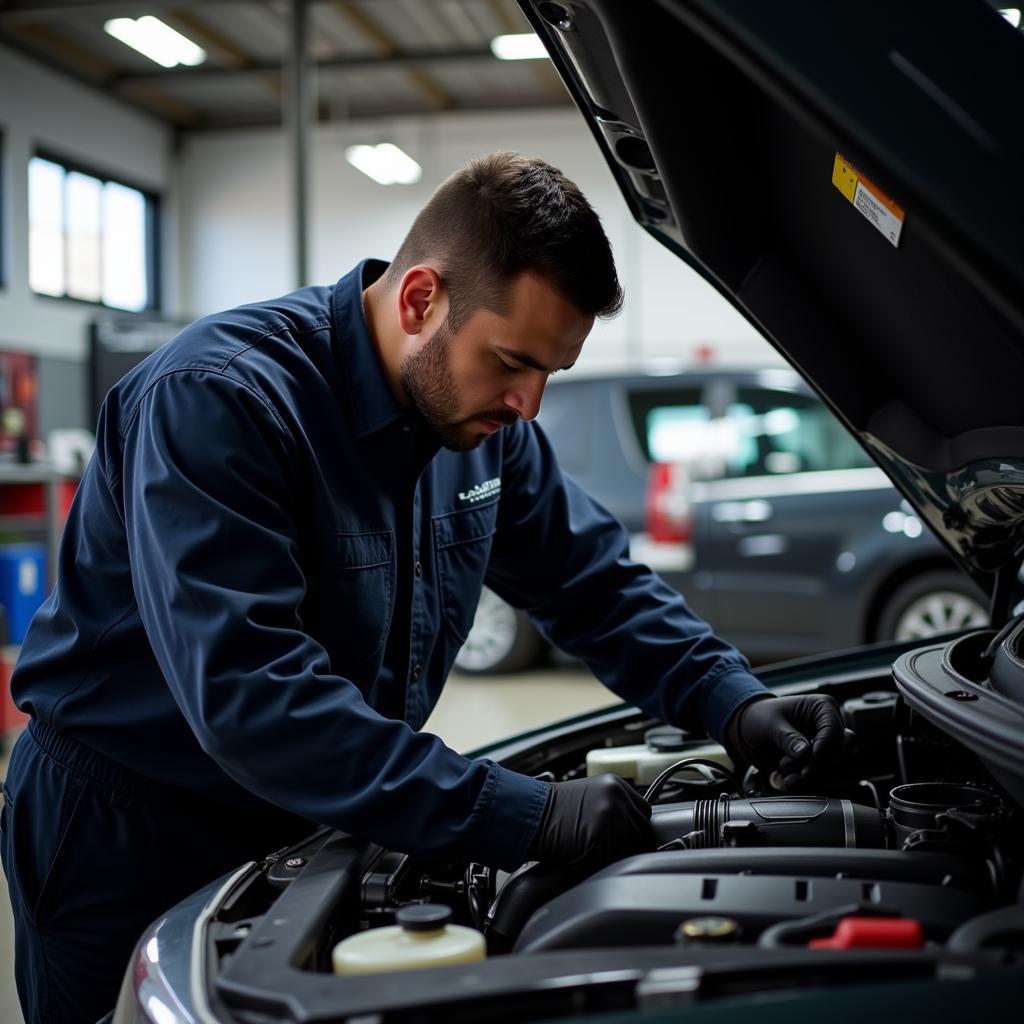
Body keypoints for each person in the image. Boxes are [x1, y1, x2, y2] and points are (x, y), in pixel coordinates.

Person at [1, 152, 843, 1023]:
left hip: (312, 809)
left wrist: (733, 701)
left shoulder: (485, 428)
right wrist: (524, 814)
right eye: (514, 362)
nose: (530, 405)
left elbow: (592, 583)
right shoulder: (219, 401)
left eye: (550, 373)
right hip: (130, 831)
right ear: (419, 300)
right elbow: (254, 696)